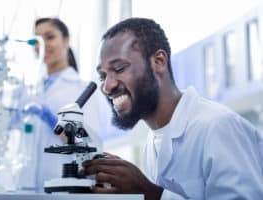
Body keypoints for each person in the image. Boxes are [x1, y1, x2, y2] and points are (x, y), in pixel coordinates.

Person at [83, 18, 263, 199]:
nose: (107, 86)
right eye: (102, 76)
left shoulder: (218, 126)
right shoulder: (153, 140)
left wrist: (149, 192)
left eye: (119, 68)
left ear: (158, 61)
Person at [14, 17, 101, 192]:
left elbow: (90, 145)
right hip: (28, 187)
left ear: (66, 41)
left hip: (63, 187)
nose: (42, 45)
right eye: (36, 40)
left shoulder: (81, 89)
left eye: (49, 37)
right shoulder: (31, 90)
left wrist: (52, 119)